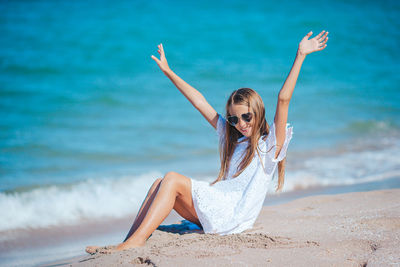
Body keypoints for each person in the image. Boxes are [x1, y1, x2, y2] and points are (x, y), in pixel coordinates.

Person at [86, 30, 329, 253]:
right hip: (217, 206)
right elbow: (200, 102)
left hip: (231, 215)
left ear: (258, 112)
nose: (241, 123)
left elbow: (284, 99)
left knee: (171, 178)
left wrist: (300, 55)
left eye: (247, 116)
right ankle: (128, 240)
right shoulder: (233, 139)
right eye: (234, 119)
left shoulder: (270, 146)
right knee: (159, 183)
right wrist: (169, 72)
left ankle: (135, 242)